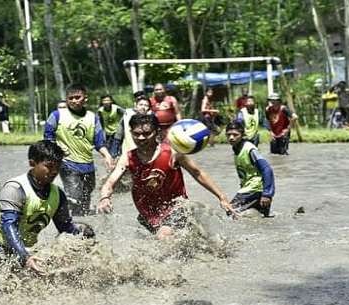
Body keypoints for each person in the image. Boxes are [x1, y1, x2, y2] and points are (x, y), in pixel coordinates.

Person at [97, 114, 235, 240]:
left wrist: (221, 197)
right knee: (175, 243)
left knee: (163, 237)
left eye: (146, 134)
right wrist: (104, 198)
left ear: (156, 132)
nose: (141, 138)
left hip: (177, 207)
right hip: (148, 214)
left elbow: (197, 173)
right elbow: (110, 183)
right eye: (136, 134)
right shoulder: (127, 158)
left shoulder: (173, 153)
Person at [0, 140, 94, 276]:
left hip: (21, 248)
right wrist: (25, 257)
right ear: (32, 163)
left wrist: (83, 235)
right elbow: (9, 225)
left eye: (58, 166)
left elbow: (65, 228)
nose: (54, 171)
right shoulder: (15, 188)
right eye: (49, 166)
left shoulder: (58, 195)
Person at [44, 83, 114, 216]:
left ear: (85, 98)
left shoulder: (93, 117)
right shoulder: (56, 116)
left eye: (77, 97)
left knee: (86, 197)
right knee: (74, 197)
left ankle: (85, 226)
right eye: (71, 98)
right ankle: (73, 229)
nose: (74, 101)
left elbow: (99, 142)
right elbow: (47, 138)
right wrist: (57, 149)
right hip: (67, 163)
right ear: (66, 99)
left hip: (88, 164)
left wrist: (107, 156)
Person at [225, 121, 275, 217]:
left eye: (235, 135)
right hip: (253, 188)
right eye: (228, 135)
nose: (231, 138)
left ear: (242, 135)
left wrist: (267, 194)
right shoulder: (237, 149)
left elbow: (267, 169)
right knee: (263, 219)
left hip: (256, 188)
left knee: (230, 210)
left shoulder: (250, 149)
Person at [110, 93, 150, 158]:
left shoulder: (150, 118)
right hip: (129, 150)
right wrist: (114, 152)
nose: (143, 107)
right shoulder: (127, 115)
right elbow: (119, 134)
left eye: (146, 105)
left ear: (149, 108)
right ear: (136, 105)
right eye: (141, 104)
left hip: (145, 151)